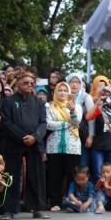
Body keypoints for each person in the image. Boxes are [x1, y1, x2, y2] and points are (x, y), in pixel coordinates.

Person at [0, 71, 49, 220]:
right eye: (25, 83)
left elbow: (43, 123)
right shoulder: (8, 101)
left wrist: (35, 137)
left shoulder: (38, 102)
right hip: (14, 143)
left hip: (34, 143)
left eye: (31, 83)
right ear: (18, 84)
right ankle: (9, 210)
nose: (29, 85)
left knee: (36, 176)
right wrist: (22, 137)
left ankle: (37, 209)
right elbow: (6, 122)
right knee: (11, 175)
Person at [45, 81, 82, 211]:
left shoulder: (76, 106)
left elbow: (77, 122)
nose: (62, 93)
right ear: (55, 92)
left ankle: (71, 202)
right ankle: (55, 202)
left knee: (72, 175)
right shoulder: (49, 106)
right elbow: (48, 124)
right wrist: (67, 124)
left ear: (69, 93)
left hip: (72, 146)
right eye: (60, 90)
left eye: (65, 90)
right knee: (54, 175)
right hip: (54, 145)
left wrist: (71, 112)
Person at [85, 84, 111, 182]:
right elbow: (88, 117)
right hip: (98, 146)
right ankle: (100, 194)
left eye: (109, 94)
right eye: (104, 95)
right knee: (98, 173)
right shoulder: (99, 109)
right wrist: (96, 104)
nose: (107, 97)